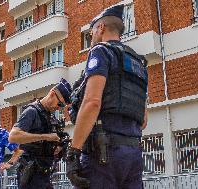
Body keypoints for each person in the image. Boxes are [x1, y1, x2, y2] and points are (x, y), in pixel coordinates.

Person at [66, 4, 148, 189]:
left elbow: (92, 102)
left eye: (91, 32)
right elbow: (143, 119)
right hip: (133, 154)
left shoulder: (101, 51)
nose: (91, 37)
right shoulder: (139, 62)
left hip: (103, 155)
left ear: (100, 28)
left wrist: (73, 151)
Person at [9, 78, 72, 189]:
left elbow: (46, 145)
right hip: (31, 175)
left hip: (45, 174)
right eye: (60, 104)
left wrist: (58, 146)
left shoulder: (50, 116)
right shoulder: (32, 111)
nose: (58, 108)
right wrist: (46, 137)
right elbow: (13, 136)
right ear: (52, 94)